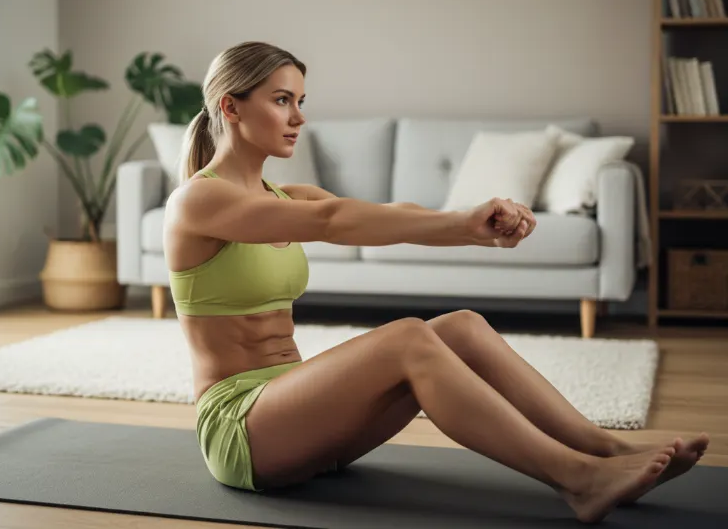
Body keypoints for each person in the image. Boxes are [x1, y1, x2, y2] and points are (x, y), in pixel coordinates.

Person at [162, 41, 708, 524]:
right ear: (231, 107)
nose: (298, 117)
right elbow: (333, 223)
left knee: (463, 328)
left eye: (301, 102)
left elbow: (381, 213)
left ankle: (606, 450)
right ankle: (578, 480)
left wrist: (479, 229)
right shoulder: (199, 199)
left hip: (303, 425)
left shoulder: (288, 196)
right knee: (407, 337)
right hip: (242, 431)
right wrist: (462, 227)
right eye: (282, 99)